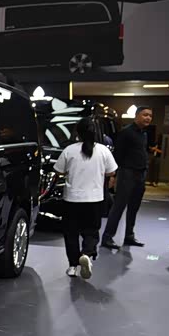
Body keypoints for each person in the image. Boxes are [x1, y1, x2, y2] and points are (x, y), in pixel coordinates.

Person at [54, 118, 118, 279]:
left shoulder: (69, 150)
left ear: (78, 132)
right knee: (91, 231)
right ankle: (87, 254)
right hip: (95, 199)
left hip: (72, 199)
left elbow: (59, 170)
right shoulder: (103, 150)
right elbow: (111, 172)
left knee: (71, 233)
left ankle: (73, 266)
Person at [101, 106, 153, 249]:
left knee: (134, 207)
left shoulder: (144, 134)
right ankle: (107, 237)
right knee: (119, 206)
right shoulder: (126, 132)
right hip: (127, 173)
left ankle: (129, 235)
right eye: (145, 115)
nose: (148, 118)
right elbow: (118, 154)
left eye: (150, 115)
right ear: (137, 115)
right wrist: (114, 175)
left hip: (140, 174)